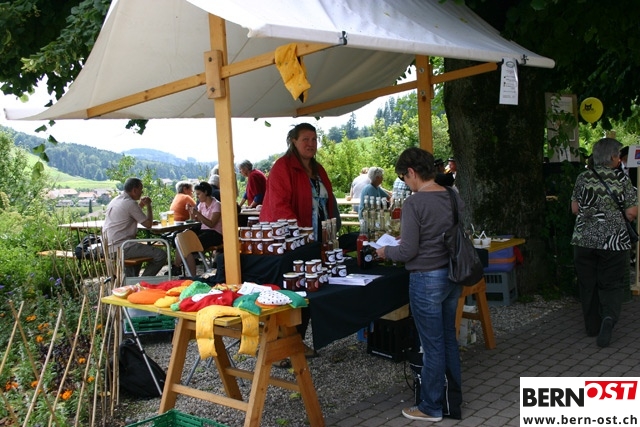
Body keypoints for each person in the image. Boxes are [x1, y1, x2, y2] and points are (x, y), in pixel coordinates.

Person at [375, 147, 462, 422]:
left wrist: (385, 251)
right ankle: (452, 399)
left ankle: (431, 406)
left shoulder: (415, 203)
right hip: (452, 274)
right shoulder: (452, 194)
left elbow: (408, 251)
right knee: (448, 338)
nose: (405, 182)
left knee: (432, 345)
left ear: (411, 172)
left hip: (426, 278)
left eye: (404, 177)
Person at [571, 137, 637, 348]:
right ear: (613, 157)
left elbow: (574, 209)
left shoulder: (582, 178)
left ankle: (592, 326)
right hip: (614, 242)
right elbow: (631, 212)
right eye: (618, 155)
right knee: (611, 283)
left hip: (584, 240)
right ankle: (608, 318)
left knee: (587, 283)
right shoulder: (622, 180)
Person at [260, 122, 338, 241]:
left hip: (322, 239)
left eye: (314, 139)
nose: (311, 144)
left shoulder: (319, 169)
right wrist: (301, 234)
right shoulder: (282, 167)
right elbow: (279, 206)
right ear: (294, 141)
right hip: (292, 240)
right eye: (305, 139)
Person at [103, 177, 168, 278]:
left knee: (138, 249)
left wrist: (140, 205)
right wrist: (149, 206)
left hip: (108, 246)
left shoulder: (116, 200)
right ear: (134, 190)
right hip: (122, 247)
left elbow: (131, 213)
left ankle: (131, 280)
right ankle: (143, 281)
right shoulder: (130, 203)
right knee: (161, 254)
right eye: (141, 190)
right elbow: (148, 224)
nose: (142, 193)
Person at [184, 181, 224, 276]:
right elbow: (196, 220)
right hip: (204, 231)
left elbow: (211, 224)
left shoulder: (216, 205)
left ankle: (190, 274)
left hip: (215, 233)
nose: (197, 196)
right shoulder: (201, 204)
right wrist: (191, 211)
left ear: (205, 192)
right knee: (184, 237)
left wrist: (197, 213)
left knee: (190, 245)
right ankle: (178, 266)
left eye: (198, 194)